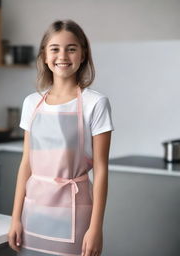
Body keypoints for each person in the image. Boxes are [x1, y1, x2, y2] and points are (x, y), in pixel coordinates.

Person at [8, 19, 114, 256]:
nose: (62, 55)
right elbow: (26, 164)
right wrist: (15, 218)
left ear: (83, 54)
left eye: (71, 48)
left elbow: (102, 170)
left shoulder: (95, 103)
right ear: (45, 55)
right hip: (33, 213)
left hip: (75, 214)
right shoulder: (31, 103)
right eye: (55, 48)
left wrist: (96, 228)